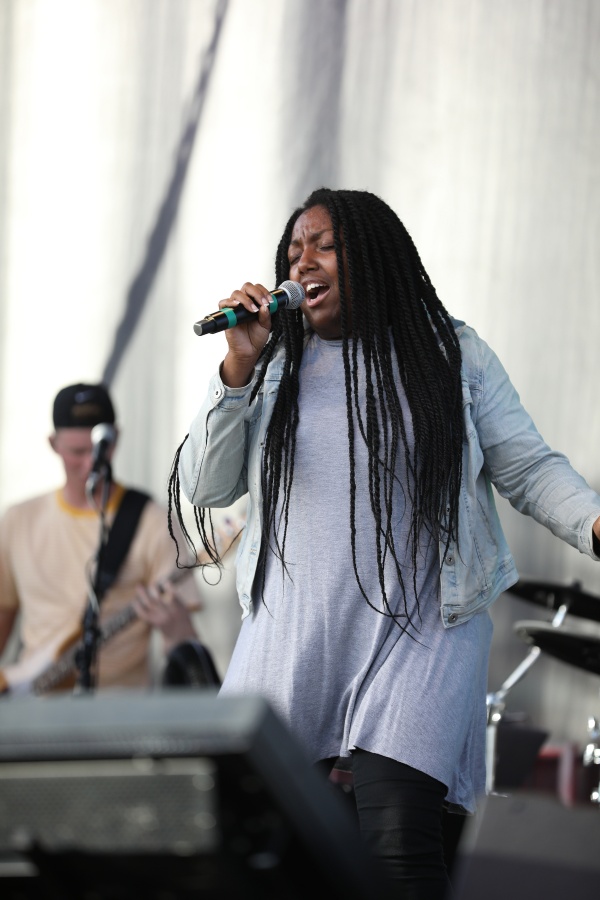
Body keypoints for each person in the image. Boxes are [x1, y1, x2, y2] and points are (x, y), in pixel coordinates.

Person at [169, 188, 600, 898]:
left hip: (421, 634)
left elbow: (527, 467)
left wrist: (592, 524)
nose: (302, 262)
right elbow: (206, 486)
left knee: (399, 843)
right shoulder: (273, 362)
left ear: (374, 256)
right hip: (292, 630)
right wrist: (238, 368)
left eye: (324, 246)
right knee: (264, 846)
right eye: (293, 251)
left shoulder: (450, 354)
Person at [0, 382, 204, 694]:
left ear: (115, 438)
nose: (89, 464)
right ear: (54, 444)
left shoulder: (152, 521)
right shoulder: (18, 520)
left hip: (121, 710)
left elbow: (184, 637)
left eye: (99, 450)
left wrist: (176, 634)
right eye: (77, 452)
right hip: (34, 707)